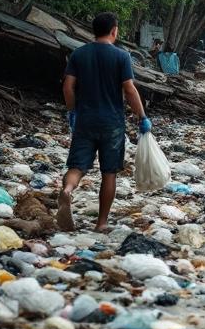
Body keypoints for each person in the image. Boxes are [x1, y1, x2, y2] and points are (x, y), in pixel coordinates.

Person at [58, 12, 150, 232]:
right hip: (112, 123)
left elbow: (67, 86)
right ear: (114, 30)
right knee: (109, 173)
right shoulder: (122, 56)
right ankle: (101, 223)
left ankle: (68, 190)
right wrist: (142, 116)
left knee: (77, 166)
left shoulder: (79, 54)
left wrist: (72, 111)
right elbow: (129, 90)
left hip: (85, 120)